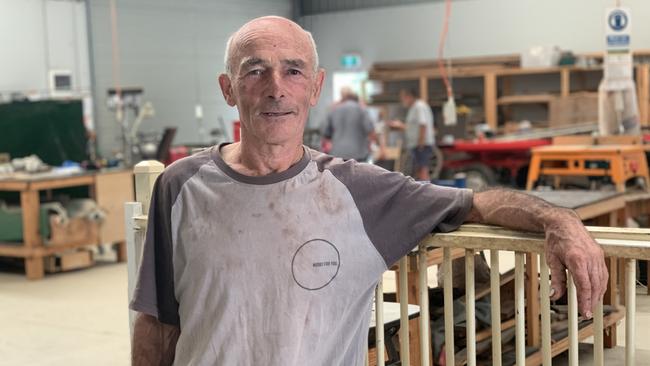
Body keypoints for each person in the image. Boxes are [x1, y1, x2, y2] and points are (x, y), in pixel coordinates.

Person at [130, 16, 607, 366]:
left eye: (293, 71)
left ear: (315, 89)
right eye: (255, 71)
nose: (276, 88)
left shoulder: (360, 192)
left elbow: (477, 202)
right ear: (228, 89)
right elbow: (157, 325)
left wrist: (559, 222)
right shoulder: (180, 185)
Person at [388, 88, 435, 181]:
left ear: (409, 97)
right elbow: (413, 127)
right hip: (417, 144)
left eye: (403, 98)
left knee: (423, 170)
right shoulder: (414, 108)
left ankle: (426, 193)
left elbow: (423, 124)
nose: (402, 101)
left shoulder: (419, 106)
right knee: (419, 170)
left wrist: (421, 143)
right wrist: (400, 125)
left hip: (422, 144)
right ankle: (422, 190)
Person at [321, 87, 376, 161]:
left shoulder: (334, 110)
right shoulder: (361, 109)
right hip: (358, 154)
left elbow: (326, 134)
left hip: (337, 153)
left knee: (340, 172)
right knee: (359, 172)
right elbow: (370, 130)